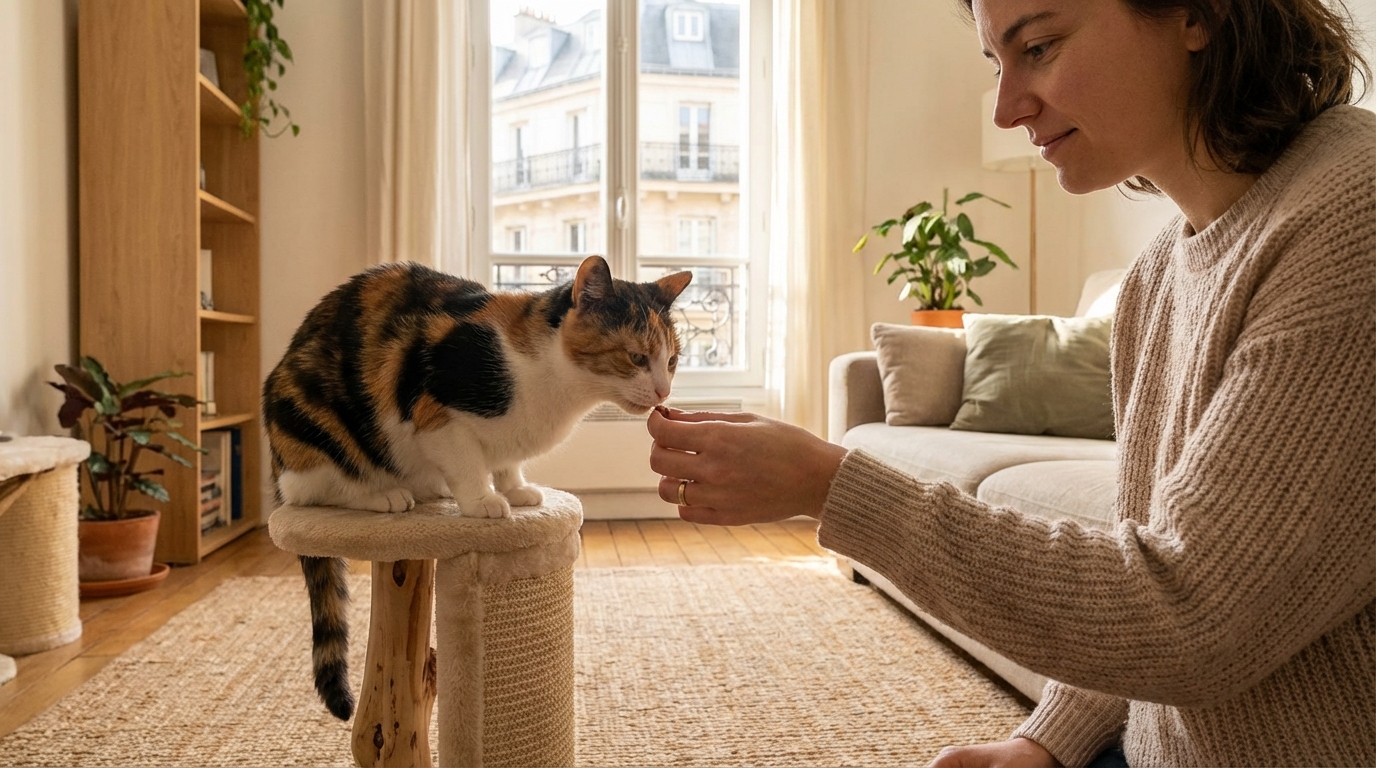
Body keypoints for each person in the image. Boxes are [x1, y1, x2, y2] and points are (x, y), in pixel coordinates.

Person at [646, 0, 1375, 765]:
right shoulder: (1158, 274)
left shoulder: (1348, 221)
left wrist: (831, 486)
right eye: (999, 63)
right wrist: (1047, 742)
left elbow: (1188, 621)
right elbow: (1142, 564)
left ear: (1196, 14)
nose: (1005, 109)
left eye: (1041, 47)